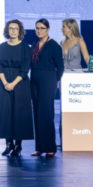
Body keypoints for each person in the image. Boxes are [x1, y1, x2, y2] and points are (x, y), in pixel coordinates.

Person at [0, 19, 33, 157]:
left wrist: (13, 84)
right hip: (3, 83)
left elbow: (25, 69)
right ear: (7, 30)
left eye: (16, 28)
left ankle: (18, 145)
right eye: (11, 28)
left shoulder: (25, 47)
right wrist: (5, 83)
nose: (13, 31)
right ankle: (8, 144)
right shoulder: (1, 47)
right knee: (5, 113)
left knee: (19, 114)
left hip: (20, 83)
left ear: (20, 31)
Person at [30, 18, 64, 158]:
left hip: (48, 80)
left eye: (42, 28)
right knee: (37, 114)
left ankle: (50, 147)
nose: (39, 31)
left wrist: (56, 80)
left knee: (46, 114)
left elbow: (60, 66)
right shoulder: (35, 45)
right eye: (37, 28)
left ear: (48, 29)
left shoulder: (54, 46)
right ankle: (39, 148)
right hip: (34, 81)